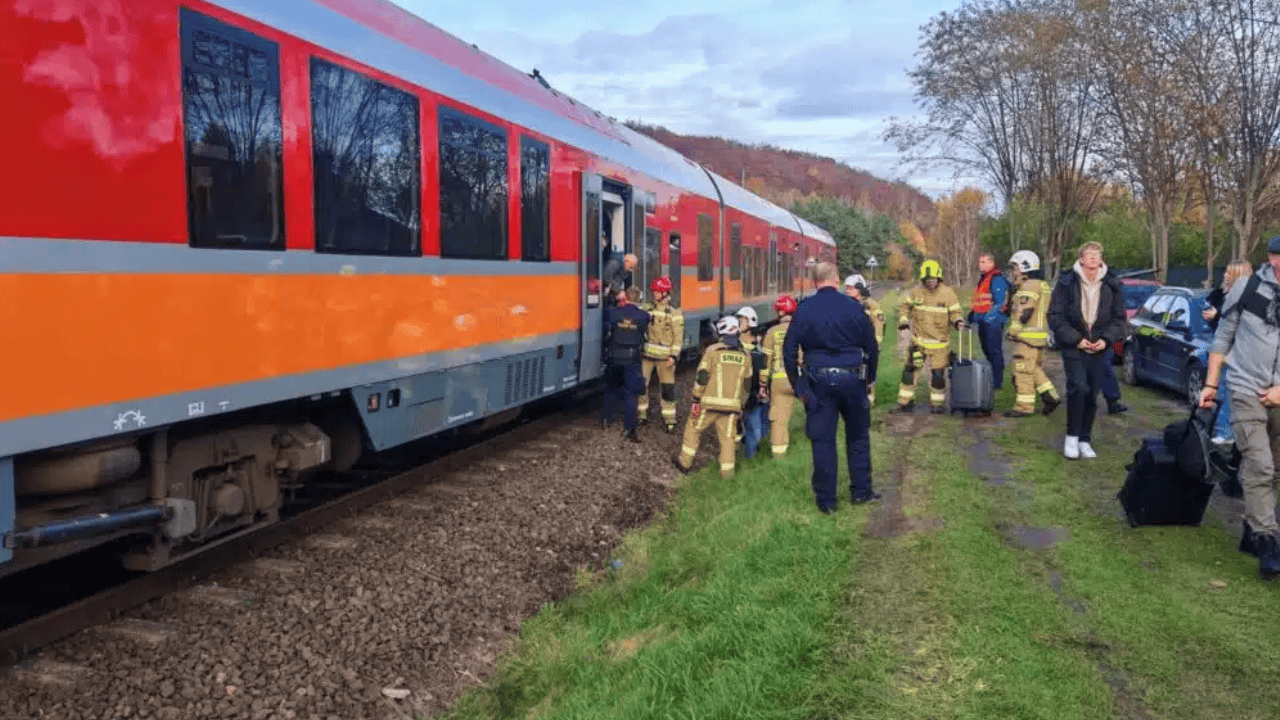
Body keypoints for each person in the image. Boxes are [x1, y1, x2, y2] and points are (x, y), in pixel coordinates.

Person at [1199, 238, 1280, 580]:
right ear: (1272, 258)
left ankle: (1251, 528)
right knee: (1260, 465)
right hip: (1246, 387)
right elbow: (1222, 337)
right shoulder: (1247, 288)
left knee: (1275, 468)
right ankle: (1268, 542)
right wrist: (1211, 384)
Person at [784, 261, 881, 513]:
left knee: (823, 441)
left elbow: (789, 350)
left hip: (818, 382)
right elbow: (871, 346)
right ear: (837, 280)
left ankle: (827, 502)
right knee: (858, 437)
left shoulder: (804, 309)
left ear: (815, 282)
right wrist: (869, 377)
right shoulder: (854, 307)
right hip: (853, 379)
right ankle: (861, 491)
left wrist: (799, 387)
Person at [1048, 242, 1126, 460]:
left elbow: (1119, 319)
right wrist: (1076, 339)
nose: (1092, 258)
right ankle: (1071, 437)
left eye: (1096, 254)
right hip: (1075, 344)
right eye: (1088, 254)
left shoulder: (1112, 284)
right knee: (1078, 388)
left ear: (1101, 259)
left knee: (1092, 393)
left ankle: (1085, 439)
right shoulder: (1066, 282)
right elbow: (1056, 317)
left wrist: (1106, 339)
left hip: (1100, 345)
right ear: (1081, 259)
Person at [674, 316, 753, 478]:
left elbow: (702, 377)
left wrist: (696, 398)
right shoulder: (746, 355)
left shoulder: (713, 351)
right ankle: (727, 473)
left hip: (708, 404)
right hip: (732, 407)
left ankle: (685, 463)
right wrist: (742, 404)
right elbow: (747, 384)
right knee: (728, 440)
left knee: (693, 429)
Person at [896, 260, 964, 414]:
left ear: (939, 278)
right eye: (927, 280)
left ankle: (937, 404)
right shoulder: (916, 292)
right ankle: (904, 402)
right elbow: (905, 307)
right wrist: (903, 320)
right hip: (918, 342)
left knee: (938, 375)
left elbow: (955, 313)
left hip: (939, 344)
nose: (930, 282)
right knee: (908, 371)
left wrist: (958, 322)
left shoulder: (948, 294)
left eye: (933, 279)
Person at [1003, 251, 1062, 417]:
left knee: (1022, 372)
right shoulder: (1041, 285)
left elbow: (1025, 310)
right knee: (1034, 369)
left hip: (1026, 337)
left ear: (1024, 267)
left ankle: (1024, 407)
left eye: (1015, 268)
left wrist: (1013, 330)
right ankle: (1051, 397)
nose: (1014, 272)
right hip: (1038, 337)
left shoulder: (1029, 286)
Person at [1203, 260, 1254, 445]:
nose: (1225, 275)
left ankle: (1226, 435)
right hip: (1222, 351)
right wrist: (1213, 318)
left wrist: (1218, 316)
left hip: (1238, 355)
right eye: (1225, 271)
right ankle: (1220, 432)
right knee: (1221, 391)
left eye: (1230, 273)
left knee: (1228, 393)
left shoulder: (1247, 300)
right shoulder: (1222, 295)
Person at [602, 287, 650, 442]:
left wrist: (614, 297)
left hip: (614, 357)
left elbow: (607, 321)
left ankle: (606, 419)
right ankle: (630, 429)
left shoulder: (614, 312)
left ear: (625, 297)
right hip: (632, 359)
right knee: (631, 394)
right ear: (639, 299)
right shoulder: (644, 316)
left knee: (611, 389)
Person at [638, 276, 684, 432]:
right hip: (647, 357)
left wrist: (673, 356)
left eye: (657, 292)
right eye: (654, 292)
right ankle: (641, 415)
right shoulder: (648, 308)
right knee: (641, 387)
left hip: (665, 359)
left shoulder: (674, 312)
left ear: (665, 293)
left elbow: (678, 338)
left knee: (667, 389)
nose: (654, 294)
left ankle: (670, 420)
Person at [760, 295, 798, 456]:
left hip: (780, 380)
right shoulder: (803, 329)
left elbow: (765, 362)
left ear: (780, 313)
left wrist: (763, 384)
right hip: (801, 378)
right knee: (816, 410)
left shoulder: (771, 332)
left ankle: (779, 457)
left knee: (779, 420)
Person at [969, 252, 1010, 390]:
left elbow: (1000, 302)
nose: (981, 265)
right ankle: (992, 379)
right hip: (984, 320)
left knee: (994, 351)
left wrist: (988, 319)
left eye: (984, 262)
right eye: (980, 262)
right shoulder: (984, 278)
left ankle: (997, 382)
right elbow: (980, 302)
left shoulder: (996, 278)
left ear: (992, 263)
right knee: (987, 350)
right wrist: (972, 317)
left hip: (993, 321)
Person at [735, 307, 770, 459]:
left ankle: (754, 455)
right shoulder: (737, 346)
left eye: (742, 320)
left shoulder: (755, 347)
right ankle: (750, 459)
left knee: (760, 428)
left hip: (757, 393)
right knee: (754, 430)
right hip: (748, 395)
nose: (739, 323)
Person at [845, 274, 885, 403]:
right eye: (846, 288)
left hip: (866, 345)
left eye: (850, 288)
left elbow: (878, 325)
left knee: (867, 371)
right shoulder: (845, 304)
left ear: (859, 289)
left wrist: (876, 344)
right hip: (850, 345)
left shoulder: (871, 305)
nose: (847, 291)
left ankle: (868, 398)